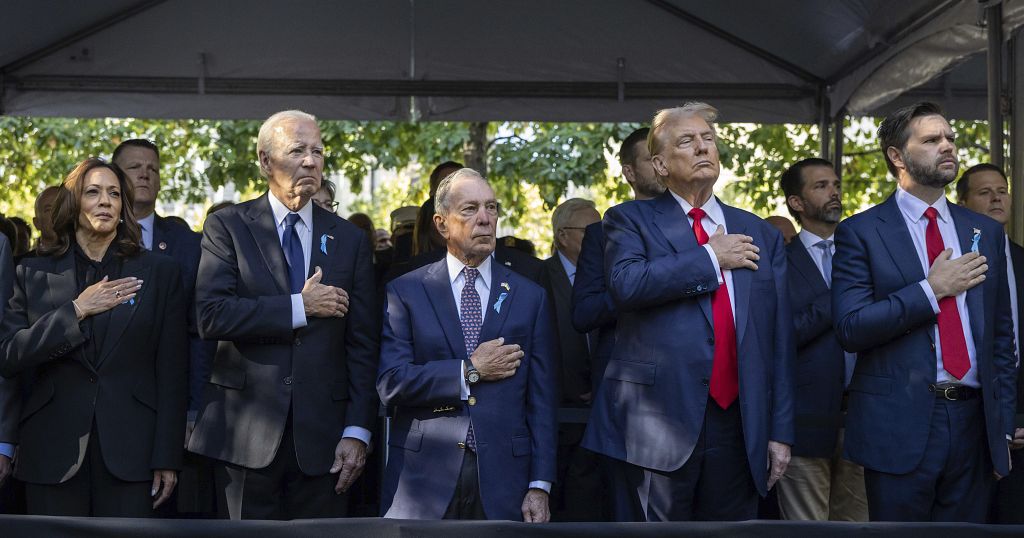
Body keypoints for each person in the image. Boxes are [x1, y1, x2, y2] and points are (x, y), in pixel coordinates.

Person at [582, 103, 795, 521]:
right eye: (687, 141)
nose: (702, 148)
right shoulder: (628, 220)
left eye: (708, 139)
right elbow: (627, 285)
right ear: (659, 164)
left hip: (740, 424)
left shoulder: (760, 234)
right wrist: (709, 257)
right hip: (655, 426)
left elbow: (779, 340)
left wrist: (780, 431)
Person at [188, 110, 379, 520]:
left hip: (325, 441)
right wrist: (299, 306)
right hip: (244, 437)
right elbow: (211, 316)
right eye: (297, 151)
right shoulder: (229, 227)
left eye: (318, 151)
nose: (311, 161)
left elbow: (363, 344)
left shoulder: (348, 239)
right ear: (264, 161)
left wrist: (357, 430)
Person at [832, 102, 1016, 522]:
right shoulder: (861, 232)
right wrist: (929, 292)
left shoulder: (983, 231)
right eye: (931, 140)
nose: (947, 146)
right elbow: (850, 327)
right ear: (897, 156)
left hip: (974, 423)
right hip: (899, 423)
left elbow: (1000, 338)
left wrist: (1001, 424)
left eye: (949, 137)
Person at [0, 158, 187, 517]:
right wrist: (76, 311)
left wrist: (167, 456)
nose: (105, 201)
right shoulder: (32, 271)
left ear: (123, 208)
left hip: (133, 453)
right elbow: (9, 354)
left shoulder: (160, 273)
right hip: (52, 452)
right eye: (93, 192)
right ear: (73, 204)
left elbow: (172, 370)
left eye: (114, 194)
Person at [378, 168, 557, 521]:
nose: (485, 219)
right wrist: (469, 371)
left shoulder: (529, 295)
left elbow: (543, 399)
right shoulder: (407, 291)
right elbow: (391, 382)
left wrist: (540, 483)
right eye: (470, 209)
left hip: (505, 478)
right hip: (423, 476)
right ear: (442, 224)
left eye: (491, 208)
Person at [111, 138, 213, 515]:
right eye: (134, 167)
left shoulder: (190, 243)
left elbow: (201, 332)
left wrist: (193, 410)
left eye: (152, 168)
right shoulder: (92, 240)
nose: (145, 174)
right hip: (108, 404)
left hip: (168, 406)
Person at [571, 126, 663, 522]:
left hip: (698, 400)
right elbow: (584, 313)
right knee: (628, 517)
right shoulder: (602, 233)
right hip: (628, 406)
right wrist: (644, 284)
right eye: (651, 159)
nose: (662, 166)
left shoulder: (707, 231)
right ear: (629, 171)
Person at [776, 157, 867, 521]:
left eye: (835, 184)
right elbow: (781, 335)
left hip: (864, 418)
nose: (834, 192)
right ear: (796, 203)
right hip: (805, 422)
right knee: (807, 531)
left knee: (860, 529)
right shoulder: (778, 262)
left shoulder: (865, 253)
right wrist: (840, 295)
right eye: (821, 186)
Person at [955, 162, 1024, 523]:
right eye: (985, 192)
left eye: (1002, 190)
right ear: (962, 203)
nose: (997, 198)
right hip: (966, 420)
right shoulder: (953, 266)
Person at [542, 198, 603, 521]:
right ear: (563, 235)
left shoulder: (609, 276)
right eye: (591, 231)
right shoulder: (539, 276)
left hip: (598, 410)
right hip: (555, 412)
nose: (600, 238)